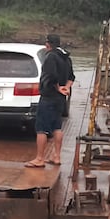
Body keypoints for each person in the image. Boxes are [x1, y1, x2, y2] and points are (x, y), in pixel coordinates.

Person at [25, 34, 75, 168]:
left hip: (48, 97)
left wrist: (58, 88)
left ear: (48, 44)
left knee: (41, 129)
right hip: (60, 99)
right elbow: (71, 76)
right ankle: (56, 156)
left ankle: (39, 158)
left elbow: (50, 76)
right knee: (57, 127)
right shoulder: (66, 57)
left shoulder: (50, 57)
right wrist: (66, 88)